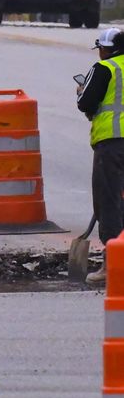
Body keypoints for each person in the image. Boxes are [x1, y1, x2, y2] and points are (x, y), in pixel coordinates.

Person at [77, 27, 124, 283]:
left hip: (113, 144)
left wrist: (80, 92)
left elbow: (86, 103)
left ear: (107, 49)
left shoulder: (105, 68)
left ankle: (113, 265)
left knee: (109, 203)